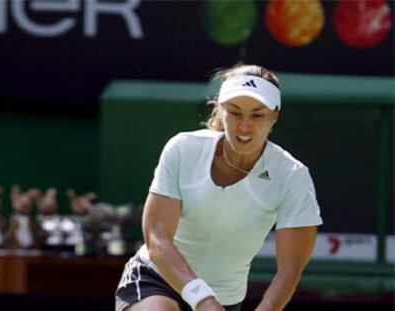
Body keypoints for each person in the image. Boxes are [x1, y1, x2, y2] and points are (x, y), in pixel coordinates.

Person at [115, 64, 323, 311]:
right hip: (156, 279)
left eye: (257, 115)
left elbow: (289, 271)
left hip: (226, 299)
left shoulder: (292, 176)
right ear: (220, 109)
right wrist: (202, 298)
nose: (244, 126)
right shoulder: (183, 148)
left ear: (274, 115)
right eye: (235, 112)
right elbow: (157, 239)